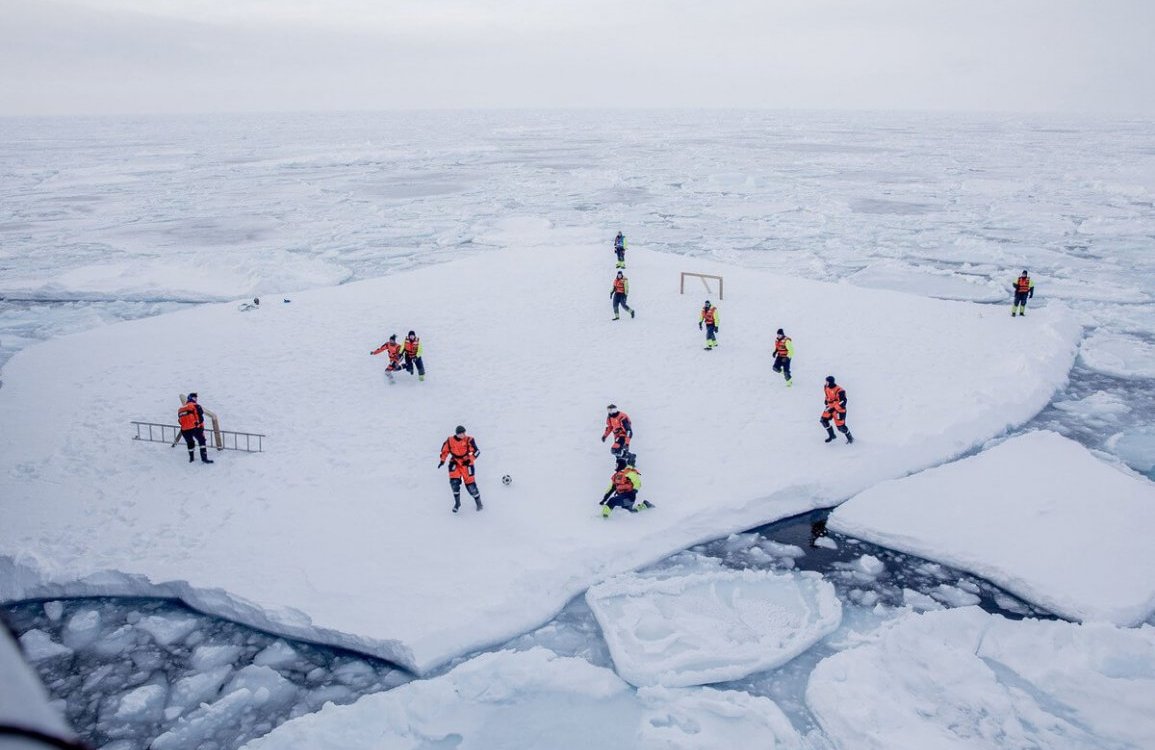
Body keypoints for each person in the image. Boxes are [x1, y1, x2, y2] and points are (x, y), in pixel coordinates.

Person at [438, 425, 482, 512]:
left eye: (464, 433)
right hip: (455, 463)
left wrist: (469, 459)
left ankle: (479, 503)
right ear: (457, 434)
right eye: (461, 433)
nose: (463, 435)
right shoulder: (450, 440)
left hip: (467, 464)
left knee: (471, 486)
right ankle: (457, 503)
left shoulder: (469, 439)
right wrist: (442, 461)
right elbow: (444, 451)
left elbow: (477, 452)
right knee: (454, 483)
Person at [177, 393, 214, 464]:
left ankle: (191, 458)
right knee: (202, 441)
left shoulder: (180, 409)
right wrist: (201, 428)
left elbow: (179, 421)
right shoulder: (196, 405)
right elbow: (200, 418)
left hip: (184, 430)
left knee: (190, 442)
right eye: (195, 398)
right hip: (195, 428)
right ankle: (204, 458)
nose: (196, 399)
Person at [820, 375, 854, 444]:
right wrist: (826, 401)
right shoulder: (826, 387)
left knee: (841, 427)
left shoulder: (840, 391)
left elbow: (843, 402)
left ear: (831, 382)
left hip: (839, 410)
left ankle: (850, 438)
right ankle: (832, 435)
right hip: (830, 407)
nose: (826, 383)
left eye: (827, 382)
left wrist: (834, 408)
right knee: (823, 420)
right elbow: (827, 395)